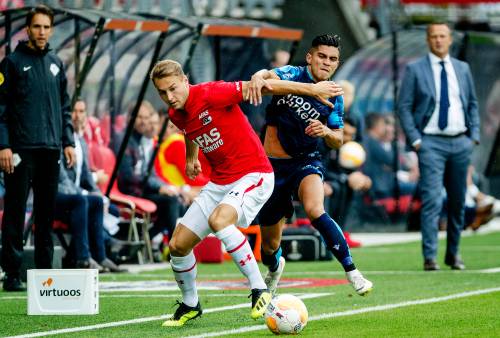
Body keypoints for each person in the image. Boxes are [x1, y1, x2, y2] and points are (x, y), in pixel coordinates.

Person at [150, 59, 342, 326]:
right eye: (162, 92)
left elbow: (264, 87)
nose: (169, 97)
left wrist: (312, 90)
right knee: (177, 246)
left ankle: (258, 289)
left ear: (185, 80)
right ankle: (190, 304)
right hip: (220, 182)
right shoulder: (176, 112)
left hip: (254, 174)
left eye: (173, 88)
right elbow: (189, 128)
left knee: (220, 221)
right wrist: (191, 157)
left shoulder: (211, 92)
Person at [247, 34, 373, 297]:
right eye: (322, 56)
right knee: (268, 247)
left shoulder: (335, 95)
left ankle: (353, 272)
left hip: (306, 161)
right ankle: (275, 265)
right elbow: (267, 78)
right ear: (310, 57)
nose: (327, 62)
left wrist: (325, 131)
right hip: (271, 168)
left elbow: (338, 139)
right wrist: (260, 75)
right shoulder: (292, 72)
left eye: (333, 59)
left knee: (316, 209)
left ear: (337, 64)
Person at [0, 5, 76, 291]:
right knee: (16, 212)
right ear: (28, 29)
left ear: (51, 29)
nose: (42, 32)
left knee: (46, 214)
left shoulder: (57, 63)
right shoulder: (12, 63)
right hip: (20, 150)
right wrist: (3, 145)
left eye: (46, 27)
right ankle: (12, 273)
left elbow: (64, 107)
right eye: (37, 27)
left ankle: (46, 276)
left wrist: (67, 141)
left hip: (51, 150)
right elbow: (1, 110)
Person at [398, 22, 479, 271]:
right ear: (428, 40)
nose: (439, 40)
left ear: (450, 39)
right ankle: (430, 257)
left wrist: (473, 136)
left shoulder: (462, 69)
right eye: (434, 36)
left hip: (460, 141)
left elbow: (472, 104)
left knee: (457, 202)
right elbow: (404, 107)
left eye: (443, 36)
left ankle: (453, 254)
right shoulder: (415, 69)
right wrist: (416, 140)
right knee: (432, 200)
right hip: (430, 142)